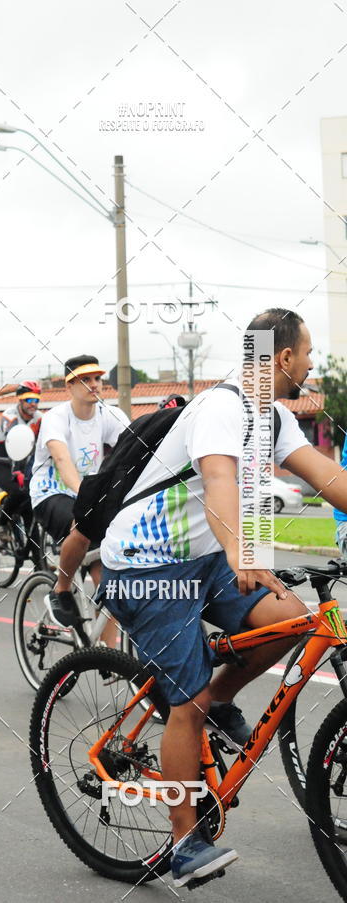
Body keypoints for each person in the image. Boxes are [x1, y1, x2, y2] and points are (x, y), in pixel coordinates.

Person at [49, 308, 347, 886]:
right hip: (145, 565)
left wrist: (234, 554)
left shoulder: (274, 419)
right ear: (283, 357)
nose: (312, 363)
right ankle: (183, 842)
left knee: (294, 620)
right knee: (184, 705)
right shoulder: (221, 407)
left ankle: (217, 695)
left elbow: (330, 480)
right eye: (308, 353)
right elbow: (218, 481)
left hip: (203, 561)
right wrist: (241, 553)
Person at [30, 355, 129, 646]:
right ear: (69, 386)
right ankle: (60, 590)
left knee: (106, 563)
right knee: (82, 526)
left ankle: (109, 653)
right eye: (85, 380)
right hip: (51, 493)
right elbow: (61, 458)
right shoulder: (56, 418)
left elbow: (135, 449)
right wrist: (86, 498)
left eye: (97, 378)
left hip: (90, 495)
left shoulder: (109, 415)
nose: (94, 385)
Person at [0, 381, 42, 535]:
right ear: (20, 400)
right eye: (29, 400)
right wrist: (16, 471)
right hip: (0, 463)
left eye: (36, 400)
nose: (33, 404)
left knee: (31, 501)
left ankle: (36, 554)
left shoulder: (38, 418)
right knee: (18, 492)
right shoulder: (9, 416)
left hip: (22, 464)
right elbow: (16, 442)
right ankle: (1, 524)